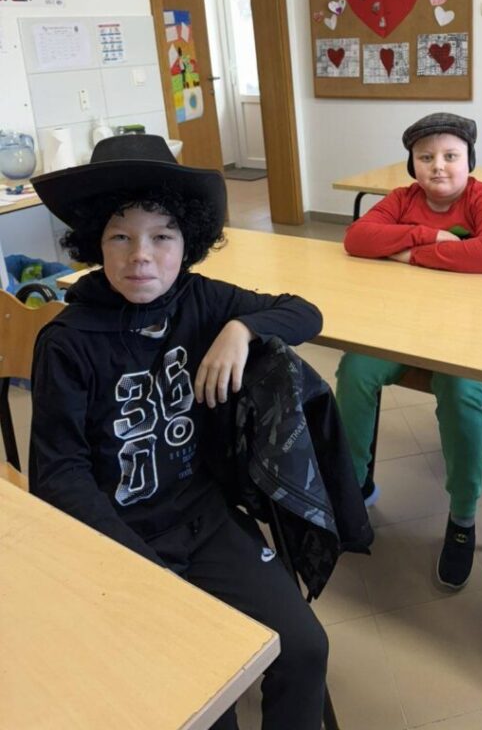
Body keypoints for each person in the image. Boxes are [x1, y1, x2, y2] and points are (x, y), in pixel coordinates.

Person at [29, 134, 329, 730]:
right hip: (118, 541)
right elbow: (58, 474)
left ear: (187, 242)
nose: (141, 256)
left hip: (205, 519)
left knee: (304, 648)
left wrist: (241, 328)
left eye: (162, 237)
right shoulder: (67, 342)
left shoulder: (201, 300)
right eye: (120, 236)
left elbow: (305, 311)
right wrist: (138, 567)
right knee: (206, 688)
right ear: (94, 243)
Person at [335, 113, 482, 590]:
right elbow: (357, 239)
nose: (438, 166)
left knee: (460, 391)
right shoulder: (402, 199)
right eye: (426, 157)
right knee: (355, 370)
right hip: (405, 328)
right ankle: (353, 486)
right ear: (412, 164)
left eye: (451, 156)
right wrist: (427, 235)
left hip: (470, 335)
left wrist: (409, 256)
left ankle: (462, 516)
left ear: (469, 161)